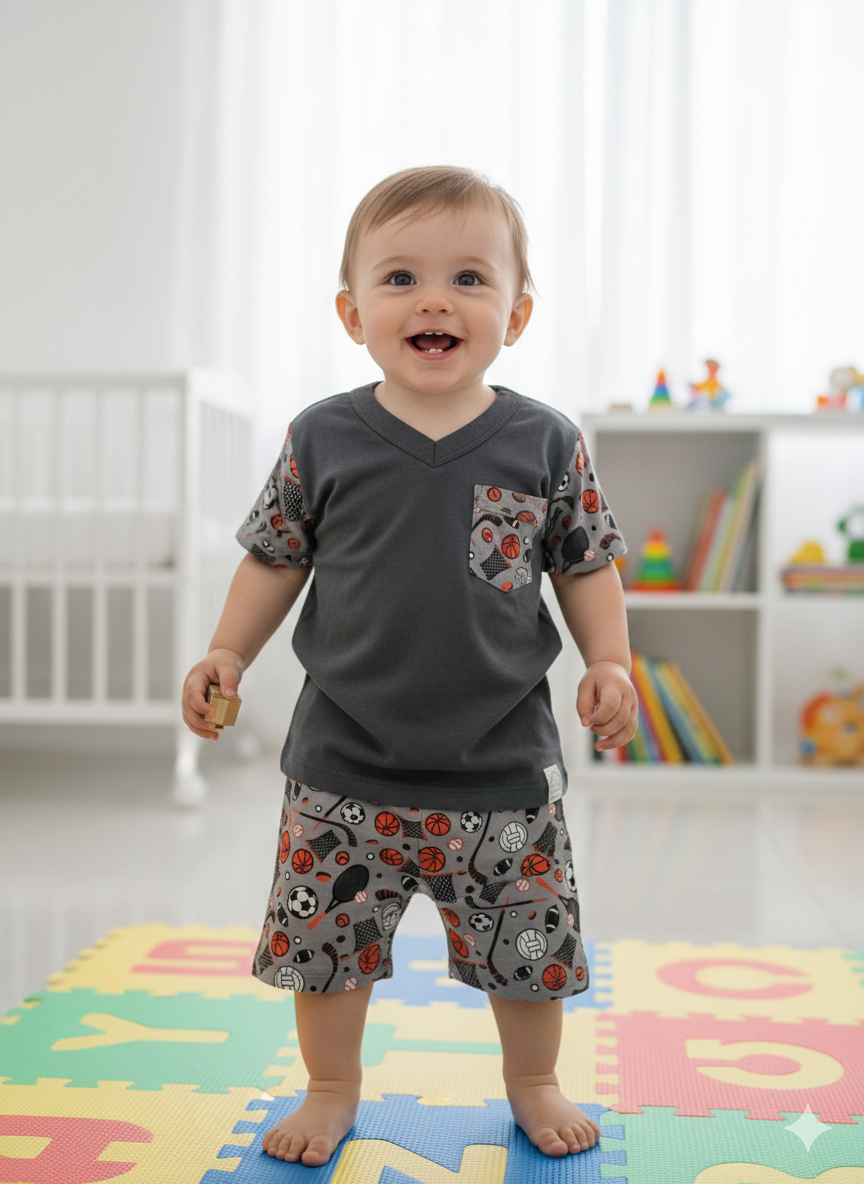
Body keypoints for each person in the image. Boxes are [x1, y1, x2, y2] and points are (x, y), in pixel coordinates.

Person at [181, 165, 638, 1168]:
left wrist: (609, 659)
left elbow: (585, 563)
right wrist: (227, 649)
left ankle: (534, 1081)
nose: (435, 300)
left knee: (528, 948)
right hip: (344, 763)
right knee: (326, 951)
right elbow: (274, 559)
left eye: (469, 278)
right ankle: (331, 1085)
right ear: (353, 313)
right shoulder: (323, 437)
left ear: (517, 314)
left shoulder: (545, 441)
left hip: (501, 764)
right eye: (401, 278)